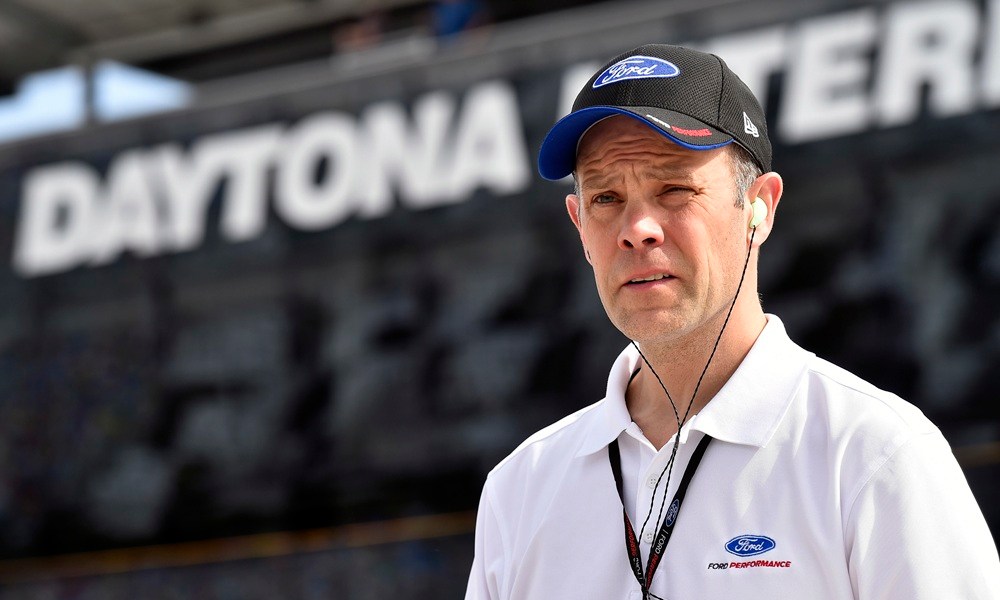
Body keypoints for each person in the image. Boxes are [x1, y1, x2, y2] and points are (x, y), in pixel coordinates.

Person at [465, 44, 1000, 599]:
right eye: (606, 196)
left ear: (761, 206)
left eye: (674, 188)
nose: (638, 228)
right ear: (580, 226)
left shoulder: (872, 455)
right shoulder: (520, 491)